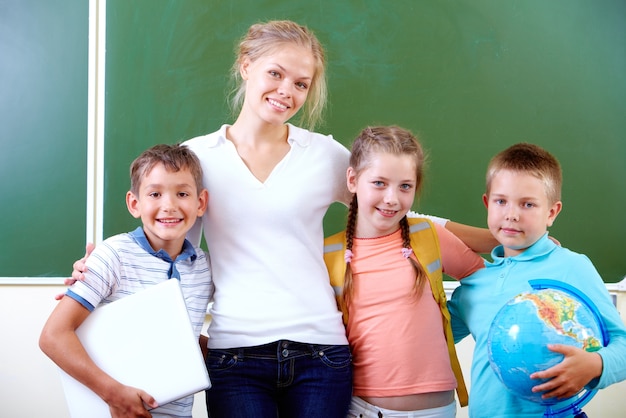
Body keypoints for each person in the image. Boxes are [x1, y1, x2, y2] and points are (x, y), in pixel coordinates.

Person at [65, 20, 496, 418]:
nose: (286, 90)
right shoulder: (197, 158)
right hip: (235, 355)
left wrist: (498, 238)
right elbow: (165, 244)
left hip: (322, 353)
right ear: (246, 66)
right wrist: (102, 265)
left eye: (301, 83)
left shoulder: (324, 155)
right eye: (275, 74)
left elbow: (390, 205)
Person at [447, 143, 626, 417]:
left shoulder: (573, 267)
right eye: (501, 201)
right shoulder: (475, 282)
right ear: (487, 203)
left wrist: (595, 365)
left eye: (527, 204)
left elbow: (622, 345)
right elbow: (431, 339)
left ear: (552, 212)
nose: (512, 214)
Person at [40, 144, 213, 418]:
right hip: (113, 410)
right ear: (135, 203)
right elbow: (53, 336)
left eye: (182, 193)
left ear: (200, 203)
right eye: (155, 194)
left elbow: (182, 337)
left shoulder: (203, 266)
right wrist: (114, 394)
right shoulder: (114, 255)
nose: (169, 205)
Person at [323, 126, 485, 418]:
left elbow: (485, 284)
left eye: (405, 186)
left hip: (438, 411)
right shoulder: (328, 254)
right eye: (379, 183)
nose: (392, 199)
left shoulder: (430, 236)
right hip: (365, 410)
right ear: (352, 180)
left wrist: (449, 327)